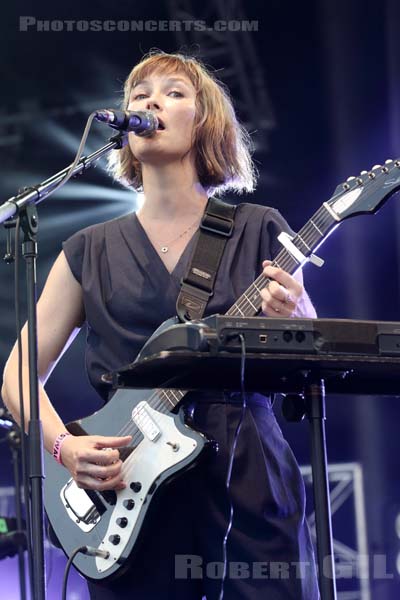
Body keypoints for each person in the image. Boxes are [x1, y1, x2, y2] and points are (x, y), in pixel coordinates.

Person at [2, 51, 319, 599]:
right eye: (139, 93)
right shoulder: (88, 249)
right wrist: (63, 449)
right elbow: (16, 375)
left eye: (173, 92)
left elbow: (310, 344)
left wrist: (296, 316)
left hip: (247, 471)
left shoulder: (258, 228)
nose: (149, 100)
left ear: (207, 121)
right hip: (129, 487)